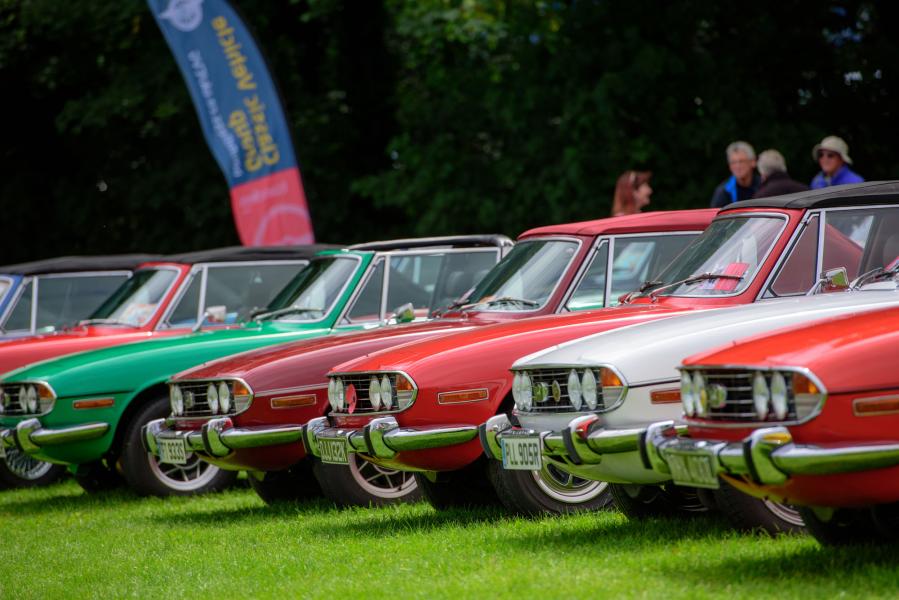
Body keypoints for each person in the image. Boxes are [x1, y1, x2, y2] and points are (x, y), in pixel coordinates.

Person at [710, 141, 761, 208]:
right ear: (729, 167)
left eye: (741, 161)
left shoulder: (763, 185)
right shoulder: (724, 191)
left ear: (753, 162)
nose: (738, 166)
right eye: (733, 162)